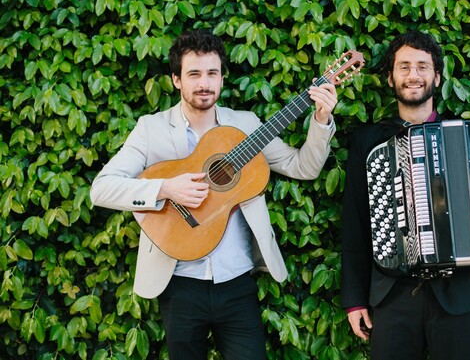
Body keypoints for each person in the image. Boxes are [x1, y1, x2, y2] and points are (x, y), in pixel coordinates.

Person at [90, 29, 338, 360]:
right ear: (176, 79)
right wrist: (166, 188)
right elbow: (101, 188)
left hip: (236, 283)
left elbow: (302, 167)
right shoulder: (151, 129)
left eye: (212, 73)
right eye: (194, 74)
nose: (204, 83)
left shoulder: (246, 125)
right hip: (179, 285)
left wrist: (321, 120)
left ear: (222, 78)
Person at [340, 31, 470, 360]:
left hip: (460, 293)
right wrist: (354, 299)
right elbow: (354, 225)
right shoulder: (367, 142)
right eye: (404, 67)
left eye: (423, 66)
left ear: (436, 76)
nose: (413, 75)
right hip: (392, 294)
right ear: (391, 79)